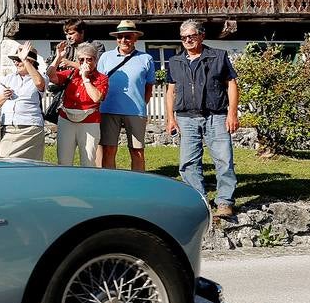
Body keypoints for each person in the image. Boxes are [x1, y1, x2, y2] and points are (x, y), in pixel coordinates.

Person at [165, 20, 240, 217]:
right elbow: (170, 90)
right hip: (186, 118)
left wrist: (232, 113)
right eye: (183, 38)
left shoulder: (218, 56)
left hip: (216, 116)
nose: (187, 40)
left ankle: (224, 202)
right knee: (188, 163)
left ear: (201, 36)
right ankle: (199, 202)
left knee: (224, 160)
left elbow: (231, 84)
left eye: (191, 36)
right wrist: (170, 118)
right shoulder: (175, 61)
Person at [98, 20, 156, 172]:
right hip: (108, 110)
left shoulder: (146, 59)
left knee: (137, 151)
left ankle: (138, 184)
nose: (124, 40)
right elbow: (99, 83)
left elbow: (149, 86)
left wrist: (142, 104)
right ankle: (110, 184)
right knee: (109, 150)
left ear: (135, 38)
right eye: (120, 37)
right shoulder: (105, 57)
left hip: (135, 112)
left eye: (128, 36)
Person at [49, 42, 108, 167]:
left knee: (88, 161)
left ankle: (86, 185)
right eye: (81, 60)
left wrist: (86, 79)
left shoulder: (101, 78)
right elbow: (51, 76)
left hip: (90, 121)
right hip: (66, 120)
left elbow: (96, 97)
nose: (85, 63)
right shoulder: (71, 73)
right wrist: (58, 57)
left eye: (89, 59)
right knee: (63, 161)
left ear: (95, 60)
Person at [0, 42, 46, 160]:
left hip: (30, 129)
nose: (16, 62)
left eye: (20, 59)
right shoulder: (9, 78)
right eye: (15, 60)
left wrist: (25, 60)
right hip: (9, 128)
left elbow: (39, 83)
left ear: (31, 61)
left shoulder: (40, 76)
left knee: (30, 165)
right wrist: (3, 96)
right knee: (6, 160)